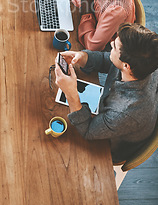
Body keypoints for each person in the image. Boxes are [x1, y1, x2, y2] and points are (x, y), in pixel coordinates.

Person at [54, 23, 158, 163]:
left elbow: (88, 130)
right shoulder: (144, 64)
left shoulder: (124, 112)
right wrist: (83, 56)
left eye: (114, 47)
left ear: (126, 66)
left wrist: (71, 94)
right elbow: (108, 60)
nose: (110, 44)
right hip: (113, 117)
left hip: (109, 146)